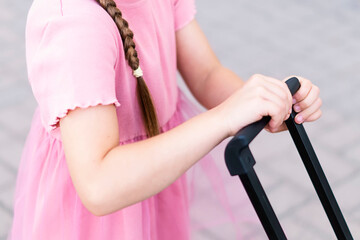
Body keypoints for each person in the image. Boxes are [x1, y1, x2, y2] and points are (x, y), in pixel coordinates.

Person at [9, 0, 322, 239]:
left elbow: (206, 73)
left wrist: (265, 103)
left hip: (155, 179)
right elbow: (99, 184)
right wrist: (225, 117)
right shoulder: (74, 25)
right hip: (96, 221)